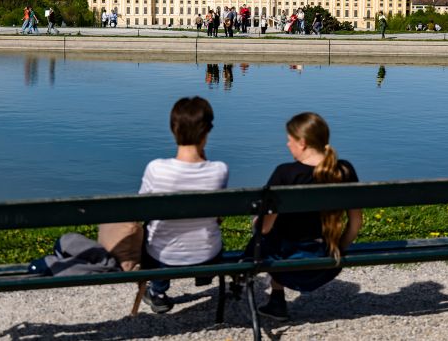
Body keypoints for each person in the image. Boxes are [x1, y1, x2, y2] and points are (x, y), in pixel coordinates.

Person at [249, 112, 362, 321]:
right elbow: (356, 223)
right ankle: (275, 300)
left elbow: (264, 229)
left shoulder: (285, 173)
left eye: (289, 140)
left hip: (286, 259)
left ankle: (276, 300)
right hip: (327, 261)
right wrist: (338, 250)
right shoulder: (344, 170)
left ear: (302, 143)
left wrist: (256, 222)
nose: (287, 144)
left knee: (266, 233)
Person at [140, 96, 229, 314]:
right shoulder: (219, 170)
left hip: (162, 256)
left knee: (154, 233)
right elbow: (219, 216)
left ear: (173, 129)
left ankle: (158, 292)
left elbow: (141, 210)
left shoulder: (156, 169)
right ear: (207, 131)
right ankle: (202, 275)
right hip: (208, 254)